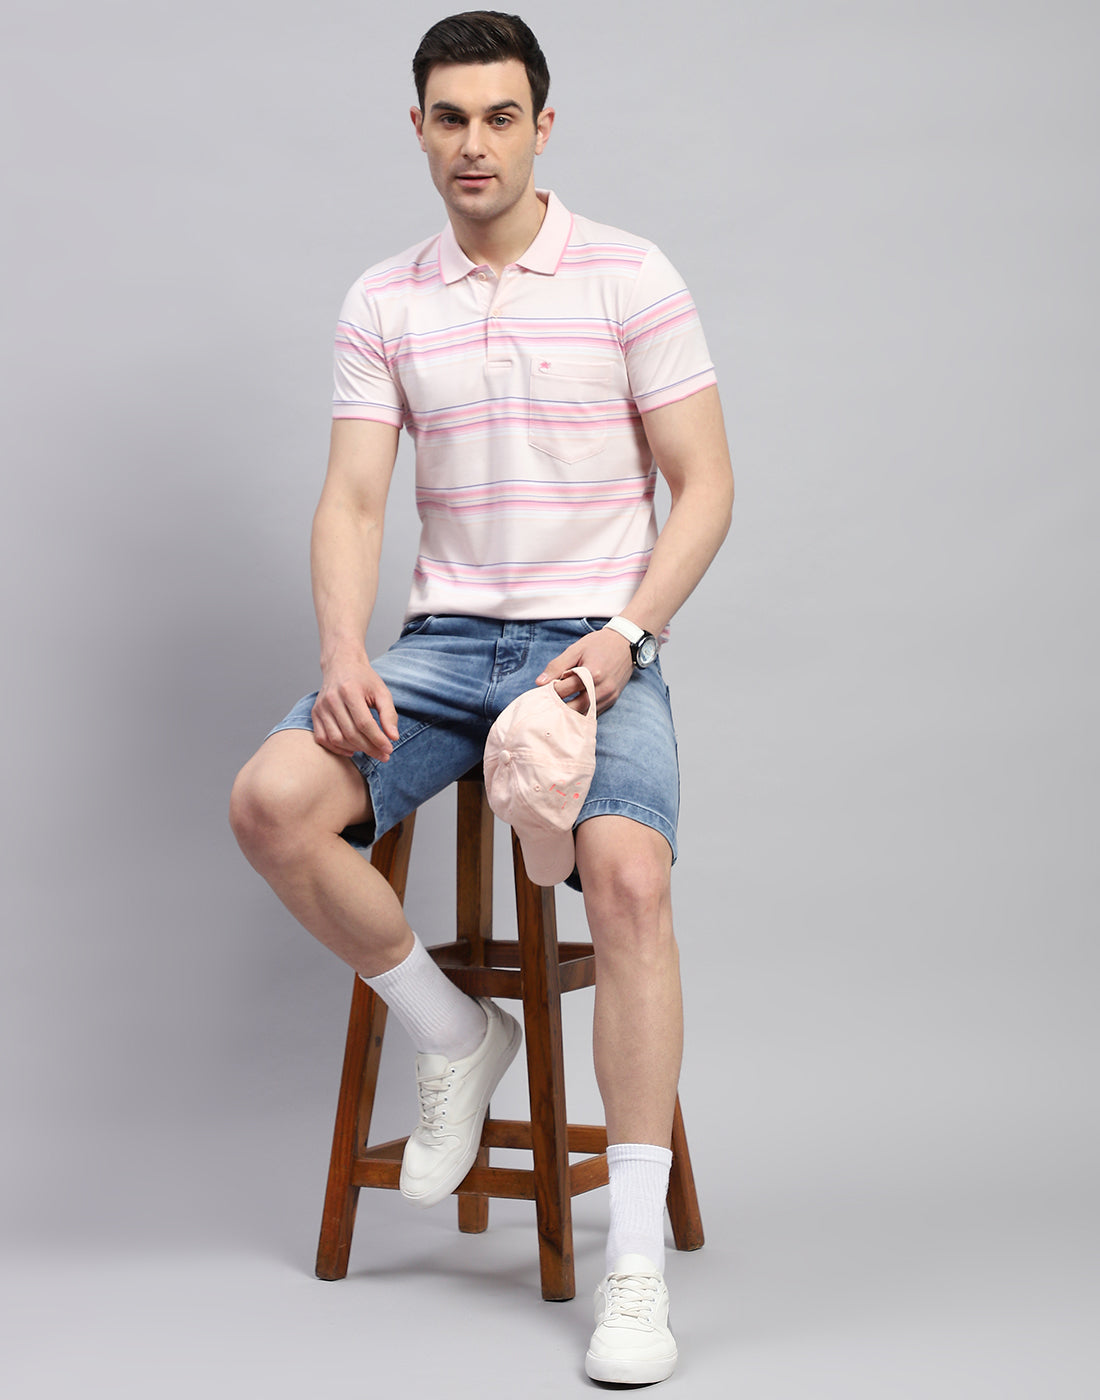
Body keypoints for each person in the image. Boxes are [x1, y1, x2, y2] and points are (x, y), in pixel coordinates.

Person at [230, 10, 733, 1385]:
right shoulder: (385, 300)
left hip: (591, 648)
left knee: (628, 879)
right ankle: (456, 1031)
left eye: (501, 116)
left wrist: (626, 636)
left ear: (542, 127)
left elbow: (707, 486)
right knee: (270, 804)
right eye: (450, 118)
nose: (475, 143)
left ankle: (633, 1268)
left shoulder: (631, 276)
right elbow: (353, 498)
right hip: (445, 646)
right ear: (418, 130)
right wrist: (342, 649)